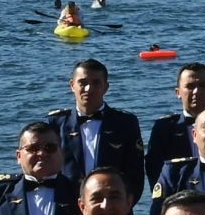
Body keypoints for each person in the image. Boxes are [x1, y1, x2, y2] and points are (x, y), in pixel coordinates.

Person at [50, 58, 147, 191]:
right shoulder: (55, 124)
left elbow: (135, 175)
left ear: (106, 87)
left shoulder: (125, 123)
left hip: (113, 205)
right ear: (72, 85)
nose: (89, 89)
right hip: (67, 207)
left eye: (96, 83)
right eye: (82, 83)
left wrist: (122, 205)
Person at [144, 62, 205, 183]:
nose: (196, 91)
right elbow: (154, 171)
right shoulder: (164, 129)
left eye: (202, 85)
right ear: (178, 92)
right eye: (190, 86)